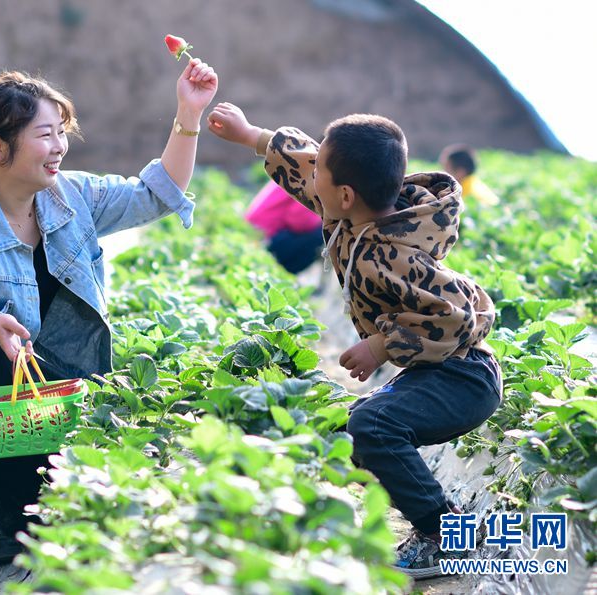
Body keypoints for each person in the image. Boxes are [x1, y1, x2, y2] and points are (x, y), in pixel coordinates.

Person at [0, 61, 218, 563]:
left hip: (16, 384)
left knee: (35, 498)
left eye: (62, 132)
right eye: (44, 134)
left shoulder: (69, 196)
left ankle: (1, 496)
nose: (59, 146)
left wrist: (189, 112)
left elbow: (155, 195)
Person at [208, 104, 501, 579]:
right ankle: (426, 516)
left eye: (322, 168)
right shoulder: (350, 216)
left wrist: (381, 347)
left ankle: (443, 533)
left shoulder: (394, 254)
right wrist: (251, 136)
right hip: (437, 371)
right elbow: (303, 162)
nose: (312, 172)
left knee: (372, 424)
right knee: (353, 431)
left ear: (344, 193)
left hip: (464, 379)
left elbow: (458, 314)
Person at [245, 179, 324, 274]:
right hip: (265, 237)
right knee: (323, 233)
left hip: (254, 229)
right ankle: (279, 274)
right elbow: (297, 219)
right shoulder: (314, 181)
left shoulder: (301, 170)